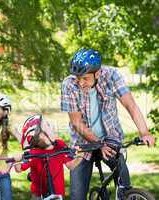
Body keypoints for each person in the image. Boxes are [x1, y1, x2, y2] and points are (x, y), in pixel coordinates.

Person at [60, 48, 155, 200]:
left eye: (85, 78)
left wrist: (144, 132)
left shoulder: (111, 76)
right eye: (78, 78)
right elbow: (76, 122)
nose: (80, 82)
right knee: (77, 196)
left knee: (124, 188)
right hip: (82, 144)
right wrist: (99, 144)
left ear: (97, 73)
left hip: (110, 137)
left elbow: (130, 105)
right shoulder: (69, 84)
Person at [14, 114, 83, 200]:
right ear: (42, 136)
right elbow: (19, 168)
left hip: (58, 194)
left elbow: (70, 165)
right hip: (39, 195)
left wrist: (80, 155)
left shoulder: (60, 145)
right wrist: (16, 161)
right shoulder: (34, 152)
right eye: (48, 126)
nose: (53, 127)